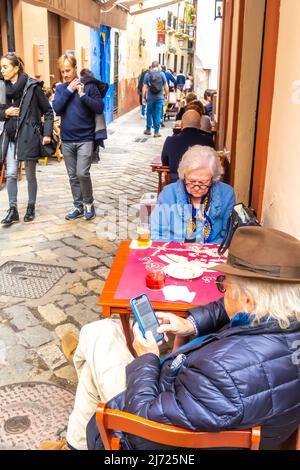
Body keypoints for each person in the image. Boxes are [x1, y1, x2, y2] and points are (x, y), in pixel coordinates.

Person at [40, 226, 300, 450]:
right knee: (97, 342)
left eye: (225, 286)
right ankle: (75, 440)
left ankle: (78, 442)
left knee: (98, 334)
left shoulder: (221, 373)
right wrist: (188, 324)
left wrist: (148, 358)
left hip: (148, 427)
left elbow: (144, 423)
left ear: (248, 300)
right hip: (199, 408)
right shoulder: (282, 317)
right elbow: (225, 309)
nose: (223, 292)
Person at [0, 53, 53, 226]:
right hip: (10, 135)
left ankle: (30, 207)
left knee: (30, 175)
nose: (2, 70)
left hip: (28, 136)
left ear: (16, 68)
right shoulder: (2, 88)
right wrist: (4, 113)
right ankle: (13, 209)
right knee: (11, 174)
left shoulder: (32, 87)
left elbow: (48, 111)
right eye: (1, 67)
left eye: (5, 67)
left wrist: (46, 133)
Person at [53, 55, 104, 221]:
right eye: (63, 72)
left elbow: (99, 106)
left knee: (82, 173)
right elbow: (57, 108)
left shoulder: (88, 87)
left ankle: (88, 203)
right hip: (67, 139)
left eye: (68, 70)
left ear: (75, 68)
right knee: (72, 176)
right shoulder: (61, 89)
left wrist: (82, 95)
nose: (66, 74)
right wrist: (69, 91)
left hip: (85, 138)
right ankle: (78, 205)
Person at [152, 145, 234, 243]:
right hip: (175, 252)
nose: (196, 188)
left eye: (203, 183)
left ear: (213, 178)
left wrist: (206, 252)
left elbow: (228, 236)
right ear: (183, 175)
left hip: (211, 253)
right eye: (191, 181)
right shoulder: (168, 194)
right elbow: (156, 233)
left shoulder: (226, 194)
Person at [162, 110, 215, 183]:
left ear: (181, 125)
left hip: (176, 182)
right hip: (201, 184)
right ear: (200, 125)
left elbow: (164, 162)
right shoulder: (208, 141)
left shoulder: (170, 140)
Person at [142, 61, 169, 138]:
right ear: (158, 66)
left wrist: (143, 97)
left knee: (149, 113)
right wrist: (166, 95)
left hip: (150, 98)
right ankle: (156, 132)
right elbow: (166, 85)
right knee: (157, 114)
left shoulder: (147, 74)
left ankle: (148, 130)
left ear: (152, 66)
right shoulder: (162, 74)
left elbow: (144, 86)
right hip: (159, 98)